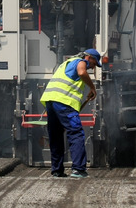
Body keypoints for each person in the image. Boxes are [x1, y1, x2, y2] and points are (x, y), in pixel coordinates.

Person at [40, 49, 100, 179]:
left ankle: (57, 170)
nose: (93, 66)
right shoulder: (80, 61)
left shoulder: (66, 63)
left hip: (51, 101)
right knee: (76, 133)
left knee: (55, 136)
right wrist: (92, 88)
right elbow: (82, 72)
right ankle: (78, 169)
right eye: (94, 63)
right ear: (88, 57)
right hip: (64, 102)